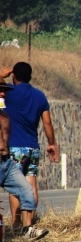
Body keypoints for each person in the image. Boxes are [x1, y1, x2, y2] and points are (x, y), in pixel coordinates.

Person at [0, 62, 60, 231]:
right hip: (32, 147)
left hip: (14, 147)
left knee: (16, 187)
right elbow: (47, 123)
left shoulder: (9, 92)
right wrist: (52, 144)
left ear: (14, 76)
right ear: (30, 77)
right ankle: (30, 223)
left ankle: (16, 223)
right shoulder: (40, 96)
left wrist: (3, 74)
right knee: (31, 183)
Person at [0, 81, 48, 242]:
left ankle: (28, 229)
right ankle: (12, 227)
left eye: (4, 91)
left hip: (7, 162)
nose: (3, 94)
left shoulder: (5, 114)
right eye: (0, 91)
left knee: (27, 190)